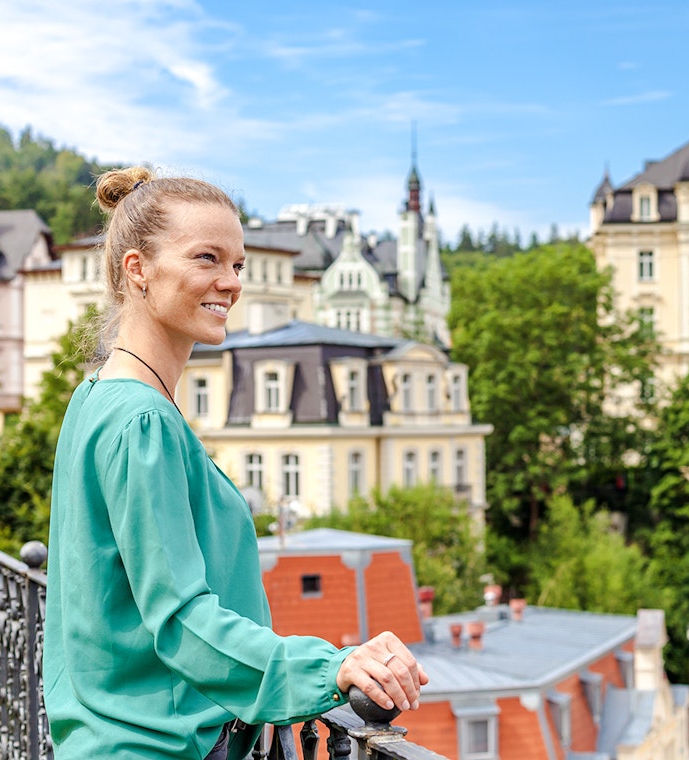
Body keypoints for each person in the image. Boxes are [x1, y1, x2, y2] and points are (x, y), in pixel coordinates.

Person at [41, 166, 428, 760]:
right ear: (137, 269)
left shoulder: (98, 394)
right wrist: (331, 668)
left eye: (238, 264)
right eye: (206, 259)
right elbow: (180, 619)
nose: (230, 282)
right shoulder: (139, 420)